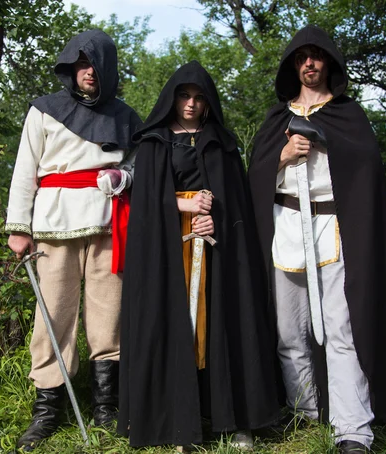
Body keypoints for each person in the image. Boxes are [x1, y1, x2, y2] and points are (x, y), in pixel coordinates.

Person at [248, 25, 386, 453]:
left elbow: (365, 165)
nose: (309, 63)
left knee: (341, 329)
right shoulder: (277, 118)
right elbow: (252, 176)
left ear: (328, 62)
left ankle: (352, 429)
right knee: (289, 332)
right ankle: (304, 411)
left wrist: (328, 146)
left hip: (334, 228)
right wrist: (281, 157)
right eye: (301, 57)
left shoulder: (347, 115)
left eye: (317, 56)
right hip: (286, 226)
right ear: (294, 65)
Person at [118, 61, 282, 451]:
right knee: (174, 327)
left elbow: (238, 201)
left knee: (225, 327)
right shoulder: (154, 142)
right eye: (184, 96)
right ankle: (178, 421)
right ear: (172, 98)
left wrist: (217, 219)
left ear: (208, 102)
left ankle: (233, 419)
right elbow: (142, 202)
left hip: (216, 254)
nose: (190, 104)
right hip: (168, 254)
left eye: (198, 97)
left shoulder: (221, 143)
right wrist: (181, 204)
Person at [5, 29, 142, 451]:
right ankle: (48, 410)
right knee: (53, 318)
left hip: (107, 223)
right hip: (54, 224)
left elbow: (140, 164)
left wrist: (125, 175)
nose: (88, 72)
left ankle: (106, 407)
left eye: (94, 65)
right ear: (71, 68)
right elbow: (25, 168)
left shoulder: (126, 117)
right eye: (81, 65)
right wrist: (18, 226)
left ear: (106, 69)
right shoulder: (44, 111)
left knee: (109, 317)